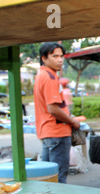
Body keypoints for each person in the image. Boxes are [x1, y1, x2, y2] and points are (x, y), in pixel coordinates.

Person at [34, 42, 80, 184]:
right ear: (44, 58)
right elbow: (52, 108)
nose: (60, 60)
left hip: (47, 132)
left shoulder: (41, 75)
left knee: (48, 177)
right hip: (57, 132)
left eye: (61, 56)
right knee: (58, 178)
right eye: (55, 56)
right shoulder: (50, 77)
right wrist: (72, 121)